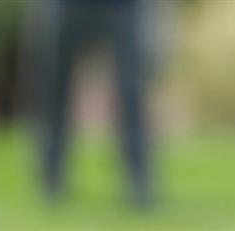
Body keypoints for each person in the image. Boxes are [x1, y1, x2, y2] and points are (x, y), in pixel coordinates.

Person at [31, 0, 152, 205]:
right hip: (68, 5)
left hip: (121, 6)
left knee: (130, 90)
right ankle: (50, 178)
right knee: (54, 85)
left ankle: (138, 181)